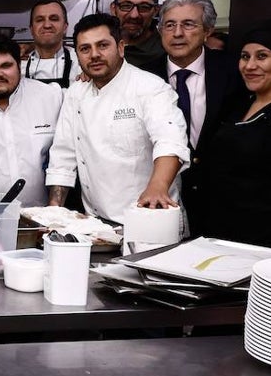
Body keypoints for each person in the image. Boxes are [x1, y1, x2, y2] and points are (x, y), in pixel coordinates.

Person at [45, 13, 189, 225]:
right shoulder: (76, 94)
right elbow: (63, 157)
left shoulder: (150, 87)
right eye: (85, 49)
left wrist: (157, 187)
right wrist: (53, 212)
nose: (94, 55)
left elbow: (170, 141)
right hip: (95, 224)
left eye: (102, 45)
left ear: (120, 47)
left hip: (149, 218)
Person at [204, 20, 271, 253]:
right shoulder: (236, 104)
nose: (250, 65)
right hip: (223, 241)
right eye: (245, 57)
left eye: (262, 56)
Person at [142, 0, 241, 237]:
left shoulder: (236, 69)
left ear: (207, 30)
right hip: (165, 200)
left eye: (188, 24)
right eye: (170, 25)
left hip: (224, 201)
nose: (177, 33)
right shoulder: (142, 77)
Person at [0, 35, 63, 207]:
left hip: (42, 219)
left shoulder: (51, 97)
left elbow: (66, 155)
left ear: (19, 67)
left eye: (6, 66)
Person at [111, 0, 165, 68]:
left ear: (156, 11)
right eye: (126, 6)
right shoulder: (100, 45)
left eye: (144, 7)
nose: (134, 15)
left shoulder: (166, 50)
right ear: (113, 9)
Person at [25, 0, 81, 88]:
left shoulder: (81, 63)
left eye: (54, 19)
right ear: (31, 29)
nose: (47, 25)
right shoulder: (18, 66)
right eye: (40, 20)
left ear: (65, 27)